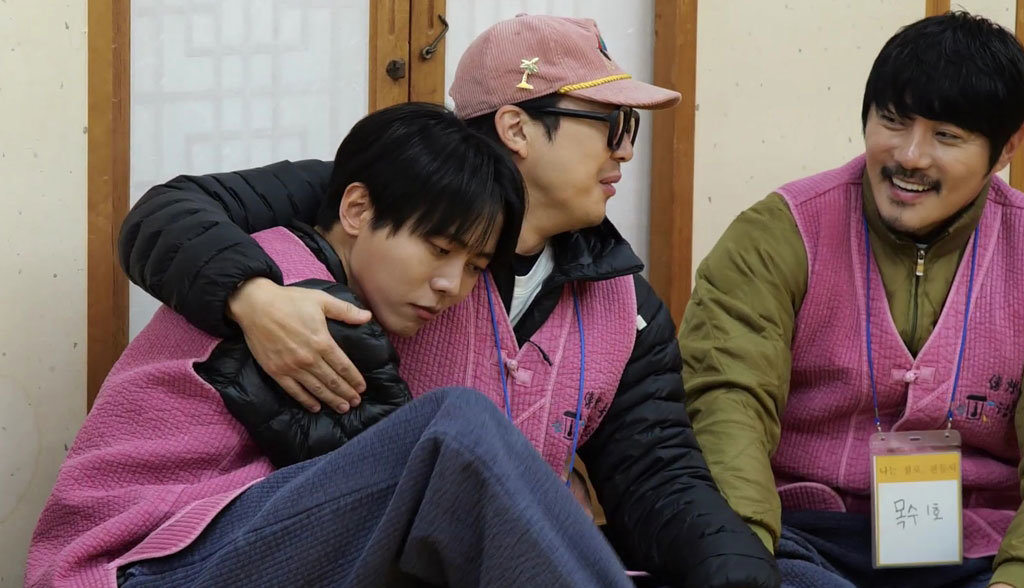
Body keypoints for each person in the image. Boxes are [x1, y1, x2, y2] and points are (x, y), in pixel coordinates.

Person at [112, 13, 779, 588]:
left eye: (473, 265)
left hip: (374, 547)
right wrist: (254, 298)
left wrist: (739, 570)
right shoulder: (360, 210)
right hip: (179, 550)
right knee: (454, 430)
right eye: (612, 124)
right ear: (517, 127)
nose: (626, 152)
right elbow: (169, 214)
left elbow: (659, 471)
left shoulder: (624, 304)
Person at [677, 11, 1024, 588]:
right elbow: (725, 400)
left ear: (1007, 147)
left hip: (981, 548)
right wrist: (744, 556)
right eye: (893, 120)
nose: (909, 156)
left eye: (946, 135)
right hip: (802, 539)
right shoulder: (779, 232)